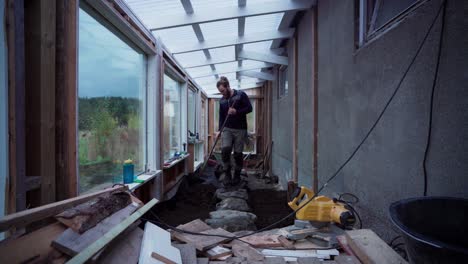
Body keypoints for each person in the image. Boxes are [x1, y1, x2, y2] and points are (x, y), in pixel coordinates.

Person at [215, 76, 252, 186]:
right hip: (227, 128)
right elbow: (221, 117)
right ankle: (227, 173)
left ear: (228, 86)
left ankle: (236, 175)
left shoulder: (240, 95)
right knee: (225, 149)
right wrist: (219, 130)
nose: (222, 94)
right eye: (220, 92)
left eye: (223, 91)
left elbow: (249, 108)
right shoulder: (222, 101)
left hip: (240, 129)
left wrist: (237, 111)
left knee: (238, 153)